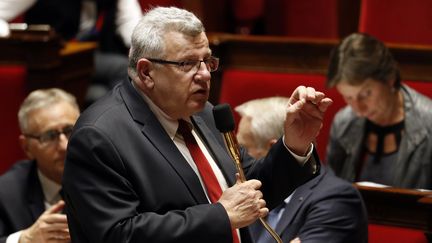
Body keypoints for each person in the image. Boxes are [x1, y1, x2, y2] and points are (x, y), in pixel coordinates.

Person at [62, 6, 333, 243]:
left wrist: (295, 145)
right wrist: (221, 215)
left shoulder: (204, 114)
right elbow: (118, 234)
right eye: (187, 64)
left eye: (207, 61)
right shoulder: (99, 136)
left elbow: (249, 189)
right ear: (146, 72)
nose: (204, 74)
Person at [235, 97, 368, 243]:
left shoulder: (337, 199)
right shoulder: (247, 193)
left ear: (273, 149)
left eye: (244, 150)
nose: (236, 159)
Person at [326, 33, 432, 189]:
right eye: (348, 97)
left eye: (366, 94)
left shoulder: (428, 124)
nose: (358, 109)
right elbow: (329, 191)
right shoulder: (343, 122)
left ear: (390, 78)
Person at [0, 0, 142, 103]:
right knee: (122, 68)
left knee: (100, 94)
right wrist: (9, 34)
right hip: (50, 64)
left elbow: (131, 23)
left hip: (85, 61)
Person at [0, 88, 80, 243]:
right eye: (49, 136)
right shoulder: (6, 192)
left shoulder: (112, 172)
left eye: (70, 130)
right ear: (26, 147)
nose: (64, 146)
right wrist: (24, 239)